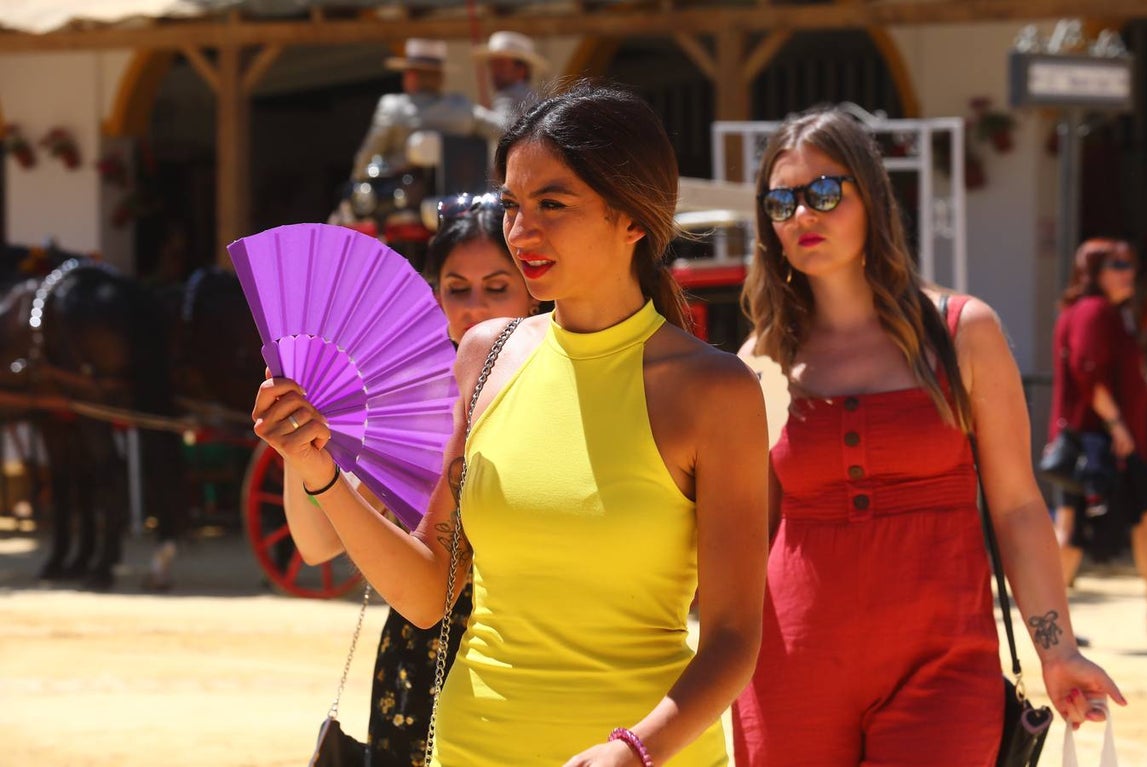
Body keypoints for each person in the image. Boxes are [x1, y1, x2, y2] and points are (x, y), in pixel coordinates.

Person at [254, 80, 769, 766]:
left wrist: (637, 749)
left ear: (634, 218)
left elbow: (735, 637)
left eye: (551, 205)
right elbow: (430, 590)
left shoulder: (715, 390)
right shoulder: (486, 356)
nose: (521, 232)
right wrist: (319, 468)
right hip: (473, 747)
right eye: (512, 206)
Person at [731, 105, 1124, 766]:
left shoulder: (961, 330)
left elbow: (1020, 505)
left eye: (824, 192)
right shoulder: (762, 358)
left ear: (872, 198)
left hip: (943, 667)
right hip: (790, 665)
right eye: (780, 201)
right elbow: (750, 531)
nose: (802, 215)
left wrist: (1056, 648)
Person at [281, 195, 539, 766]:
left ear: (533, 288)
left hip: (526, 663)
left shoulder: (561, 398)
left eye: (497, 288)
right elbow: (316, 543)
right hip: (417, 662)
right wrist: (294, 443)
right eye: (457, 288)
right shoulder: (408, 406)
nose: (475, 308)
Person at [1049, 238, 1147, 632]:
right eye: (1118, 264)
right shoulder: (1093, 311)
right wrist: (1117, 425)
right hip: (1094, 443)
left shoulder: (1109, 312)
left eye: (1130, 263)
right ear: (1095, 271)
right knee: (1071, 530)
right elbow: (1087, 371)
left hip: (1109, 441)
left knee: (1141, 519)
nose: (1129, 272)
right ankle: (1054, 623)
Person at [348, 38, 502, 182]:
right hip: (457, 200)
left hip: (404, 200)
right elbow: (501, 129)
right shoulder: (462, 108)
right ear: (441, 77)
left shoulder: (392, 108)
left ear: (412, 75)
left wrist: (356, 180)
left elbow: (366, 159)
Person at [471, 30, 548, 127]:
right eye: (492, 65)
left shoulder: (514, 93)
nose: (495, 70)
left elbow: (505, 128)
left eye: (501, 64)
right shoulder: (528, 94)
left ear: (521, 70)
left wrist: (473, 113)